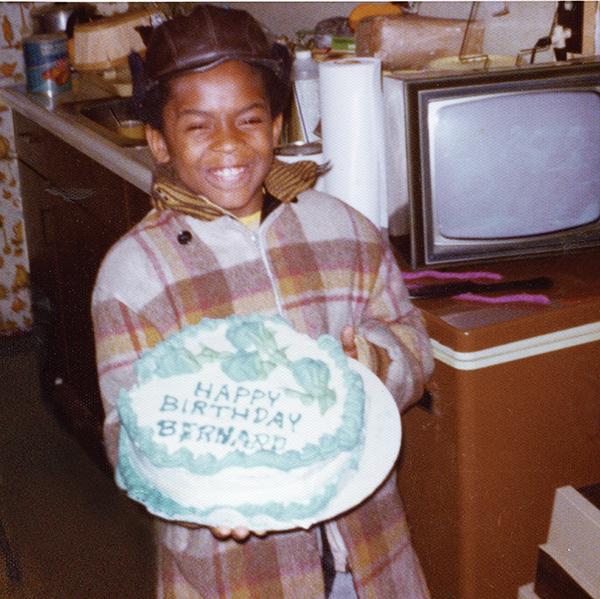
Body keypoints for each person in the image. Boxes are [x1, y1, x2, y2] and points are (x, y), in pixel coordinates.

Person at [92, 5, 434, 598]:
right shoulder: (134, 275)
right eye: (198, 125)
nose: (228, 144)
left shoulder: (347, 231)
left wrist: (375, 365)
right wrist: (194, 493)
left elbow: (410, 338)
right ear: (159, 140)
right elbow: (127, 430)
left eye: (249, 120)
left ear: (276, 127)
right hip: (235, 571)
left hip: (369, 552)